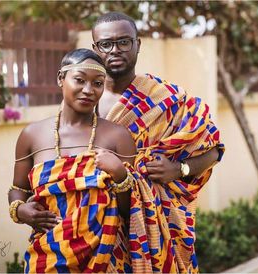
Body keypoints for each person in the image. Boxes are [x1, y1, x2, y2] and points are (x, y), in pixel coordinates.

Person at [91, 12, 225, 273]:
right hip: (99, 224)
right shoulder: (84, 99)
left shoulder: (166, 98)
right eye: (106, 44)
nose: (115, 50)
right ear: (95, 49)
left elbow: (214, 148)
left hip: (160, 223)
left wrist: (179, 169)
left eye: (124, 42)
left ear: (138, 44)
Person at [8, 48, 137, 272]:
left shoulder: (118, 137)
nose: (88, 90)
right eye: (79, 80)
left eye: (97, 83)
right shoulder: (32, 135)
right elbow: (17, 189)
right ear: (61, 78)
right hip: (48, 257)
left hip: (105, 258)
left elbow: (132, 212)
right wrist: (20, 211)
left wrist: (121, 175)